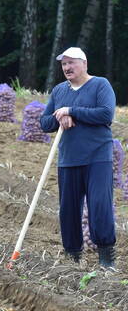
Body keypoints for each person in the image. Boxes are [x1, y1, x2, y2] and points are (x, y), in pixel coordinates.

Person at [40, 47, 116, 267]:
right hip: (69, 159)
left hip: (97, 158)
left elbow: (105, 114)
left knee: (99, 205)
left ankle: (106, 258)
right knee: (68, 210)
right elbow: (45, 124)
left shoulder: (100, 85)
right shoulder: (59, 91)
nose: (67, 67)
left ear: (84, 63)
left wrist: (72, 110)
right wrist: (60, 115)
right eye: (63, 64)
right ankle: (72, 257)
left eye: (71, 62)